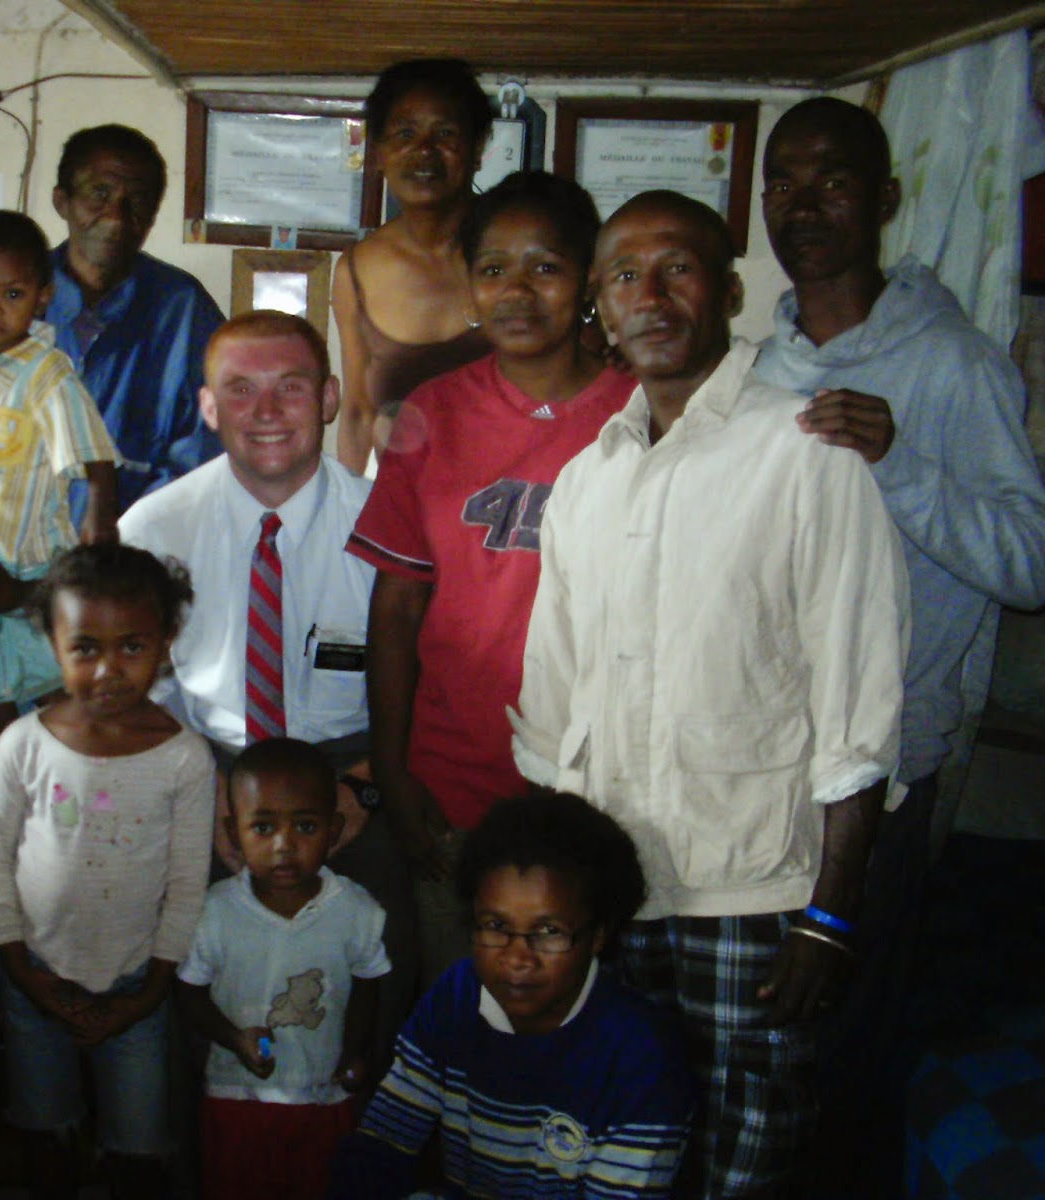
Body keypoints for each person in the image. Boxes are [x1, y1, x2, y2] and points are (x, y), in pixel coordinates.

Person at [513, 191, 908, 1198]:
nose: (651, 296)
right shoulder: (585, 481)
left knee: (747, 1159)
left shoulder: (805, 454)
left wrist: (830, 920)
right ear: (600, 307)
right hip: (612, 892)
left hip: (754, 894)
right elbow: (553, 707)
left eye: (678, 269)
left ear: (730, 293)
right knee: (616, 1148)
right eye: (624, 276)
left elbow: (860, 711)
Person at [751, 96, 1045, 1196]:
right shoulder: (757, 367)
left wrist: (899, 461)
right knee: (757, 1031)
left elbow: (1029, 565)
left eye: (832, 180)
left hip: (885, 765)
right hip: (758, 763)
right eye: (783, 181)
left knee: (845, 1033)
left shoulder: (955, 363)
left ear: (882, 199)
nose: (804, 202)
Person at [348, 171, 633, 983]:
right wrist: (393, 767)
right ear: (469, 286)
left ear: (587, 281)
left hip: (604, 784)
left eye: (546, 268)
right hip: (455, 778)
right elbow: (397, 607)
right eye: (494, 268)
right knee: (464, 1005)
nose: (518, 291)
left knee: (585, 1011)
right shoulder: (432, 413)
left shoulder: (644, 410)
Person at [119, 310, 417, 1071]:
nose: (266, 411)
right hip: (209, 768)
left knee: (380, 991)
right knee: (201, 995)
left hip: (356, 768)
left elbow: (430, 678)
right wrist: (204, 786)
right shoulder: (153, 529)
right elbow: (133, 692)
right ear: (207, 406)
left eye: (290, 387)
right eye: (240, 389)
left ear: (329, 398)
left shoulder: (389, 522)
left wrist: (369, 783)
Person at [0, 543, 214, 1200]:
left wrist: (150, 991)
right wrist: (22, 970)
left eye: (132, 646)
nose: (109, 670)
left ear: (166, 640)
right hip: (35, 978)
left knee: (138, 1154)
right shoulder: (22, 744)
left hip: (137, 988)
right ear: (52, 644)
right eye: (85, 648)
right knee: (45, 1137)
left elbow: (186, 884)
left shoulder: (184, 759)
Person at [329, 791, 695, 1198]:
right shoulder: (457, 997)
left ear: (598, 936)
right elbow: (382, 1143)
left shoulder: (641, 1057)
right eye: (495, 926)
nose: (517, 958)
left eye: (549, 932)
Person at [0, 208, 121, 750]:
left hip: (32, 548)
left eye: (11, 294)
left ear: (41, 296)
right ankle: (4, 733)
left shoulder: (46, 373)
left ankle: (67, 738)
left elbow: (93, 451)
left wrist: (99, 517)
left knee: (46, 654)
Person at [176, 737, 390, 1200]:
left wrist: (355, 1052)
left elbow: (369, 985)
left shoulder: (356, 910)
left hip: (323, 1096)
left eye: (306, 826)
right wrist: (234, 1038)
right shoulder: (214, 912)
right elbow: (189, 994)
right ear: (233, 832)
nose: (284, 845)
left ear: (334, 830)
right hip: (237, 1097)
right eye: (263, 827)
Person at [45, 123, 224, 519]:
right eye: (99, 194)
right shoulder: (11, 295)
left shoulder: (182, 308)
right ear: (62, 202)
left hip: (139, 542)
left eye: (137, 201)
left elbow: (208, 446)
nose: (117, 217)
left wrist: (132, 528)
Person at [331, 58, 493, 471]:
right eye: (405, 133)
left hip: (519, 502)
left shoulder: (517, 250)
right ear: (378, 152)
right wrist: (351, 506)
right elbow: (358, 414)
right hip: (406, 502)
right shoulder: (356, 271)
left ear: (477, 149)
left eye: (445, 133)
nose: (424, 149)